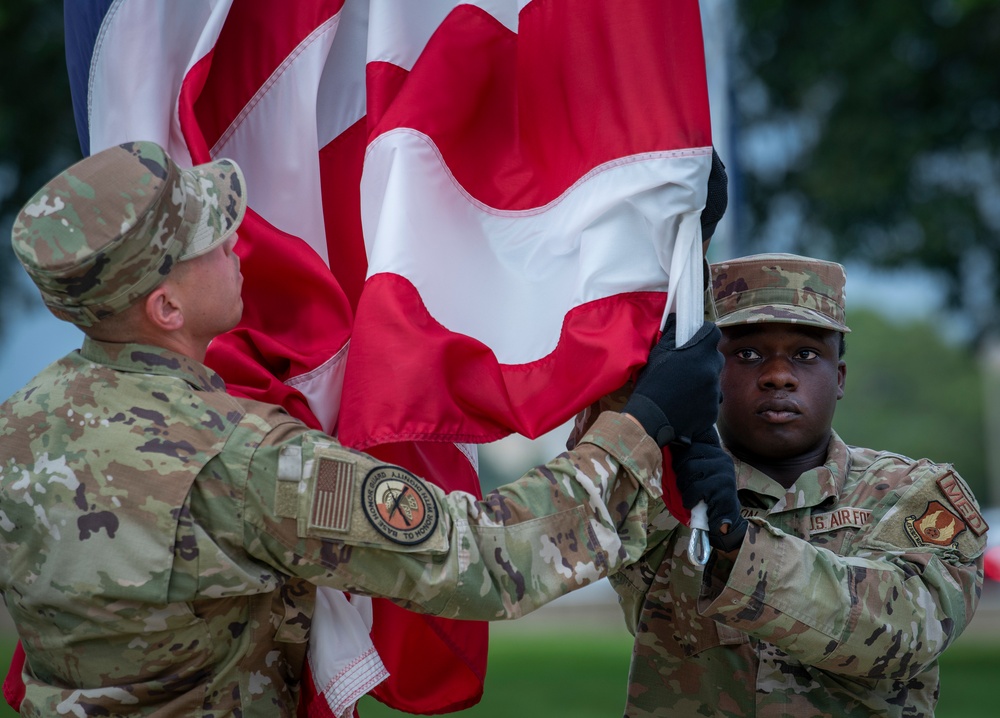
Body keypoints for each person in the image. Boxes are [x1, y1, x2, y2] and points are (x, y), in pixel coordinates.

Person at [0, 141, 725, 716]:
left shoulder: (16, 429)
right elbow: (482, 558)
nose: (235, 243)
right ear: (165, 309)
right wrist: (643, 421)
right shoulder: (238, 457)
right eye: (209, 240)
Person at [604, 252, 988, 717]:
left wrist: (739, 544)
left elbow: (905, 630)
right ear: (710, 373)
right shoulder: (664, 487)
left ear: (839, 378)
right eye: (747, 354)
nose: (778, 376)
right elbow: (593, 489)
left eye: (806, 354)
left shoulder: (914, 492)